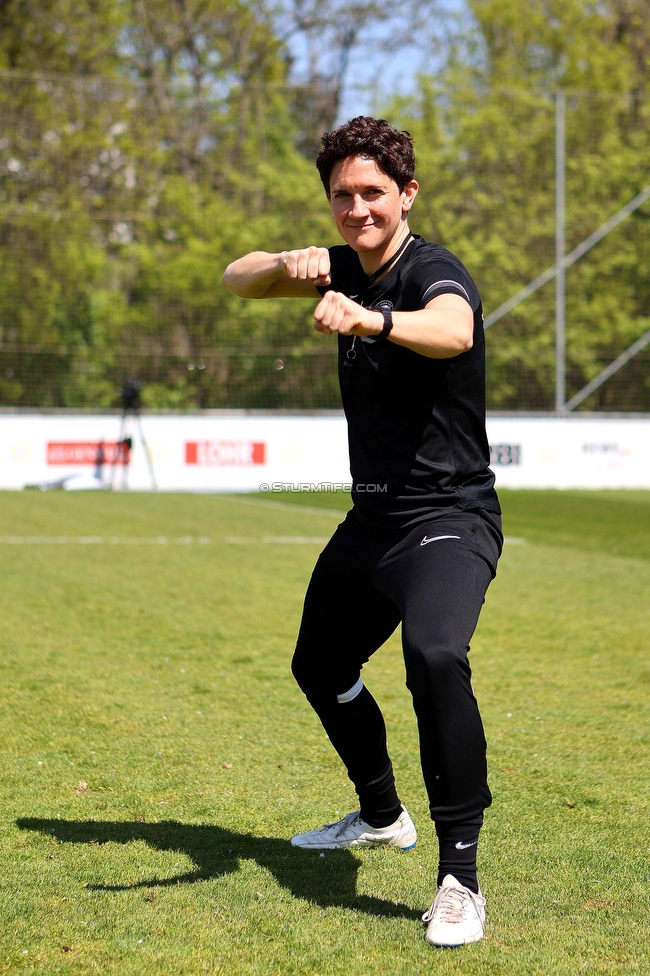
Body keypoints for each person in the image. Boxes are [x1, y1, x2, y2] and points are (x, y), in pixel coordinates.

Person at [222, 116, 502, 948]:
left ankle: (461, 878)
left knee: (435, 655)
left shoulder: (433, 272)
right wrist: (289, 265)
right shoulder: (339, 265)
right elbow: (236, 279)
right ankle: (382, 815)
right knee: (319, 663)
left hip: (449, 516)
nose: (358, 209)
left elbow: (453, 329)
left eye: (373, 193)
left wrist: (370, 321)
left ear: (407, 195)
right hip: (374, 517)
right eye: (343, 196)